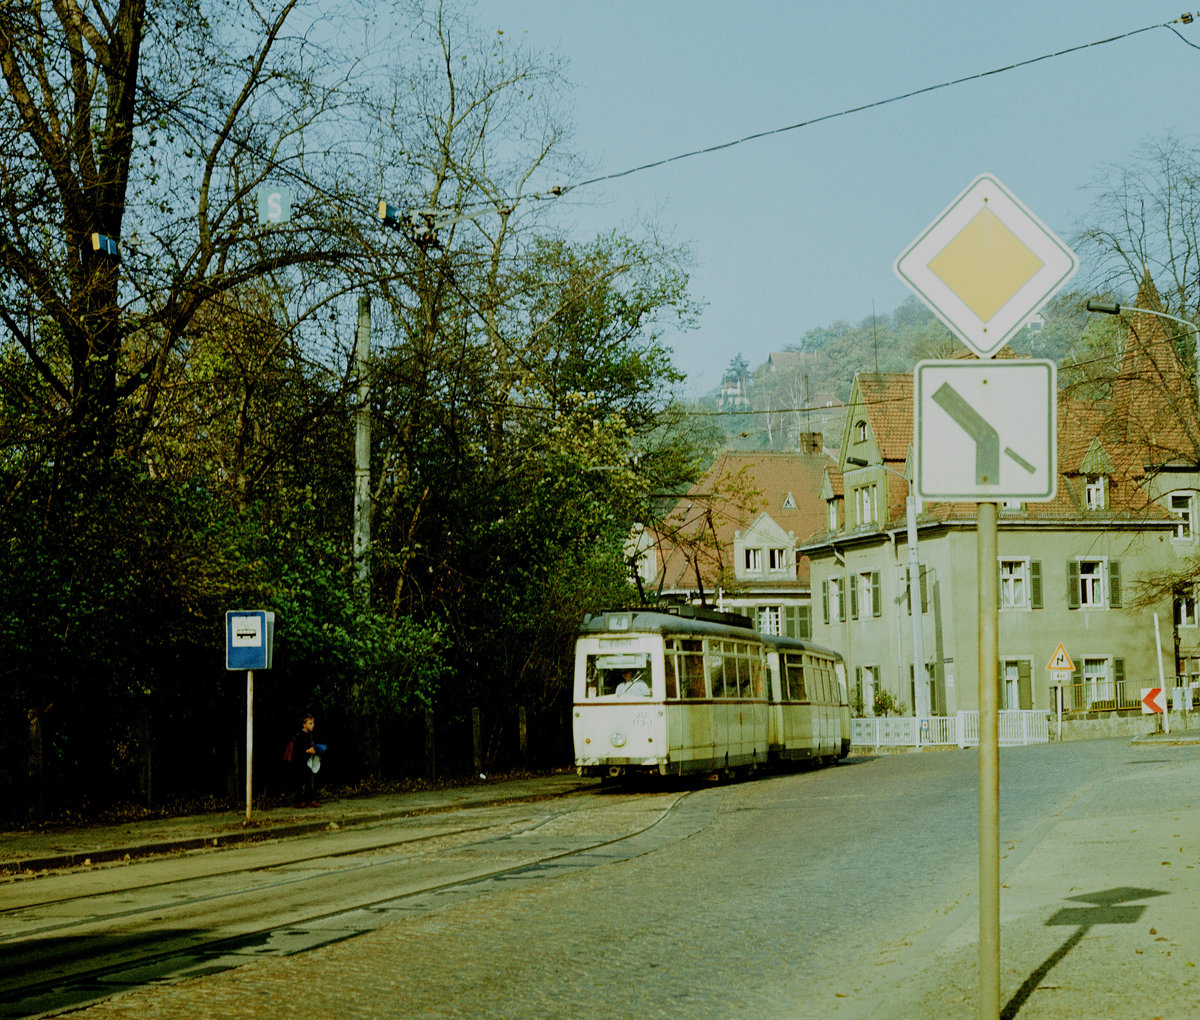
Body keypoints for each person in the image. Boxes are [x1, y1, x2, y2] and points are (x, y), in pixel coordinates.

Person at [285, 712, 327, 807]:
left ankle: (308, 800)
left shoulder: (307, 734)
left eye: (313, 723)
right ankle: (300, 801)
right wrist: (309, 750)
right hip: (299, 762)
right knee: (301, 781)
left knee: (308, 780)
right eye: (310, 723)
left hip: (304, 761)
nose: (312, 725)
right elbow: (299, 750)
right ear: (304, 724)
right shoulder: (301, 735)